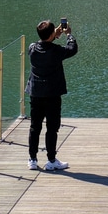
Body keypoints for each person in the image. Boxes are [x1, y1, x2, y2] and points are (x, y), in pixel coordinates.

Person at [26, 18, 78, 171]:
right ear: (50, 35)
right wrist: (68, 34)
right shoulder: (56, 51)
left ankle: (32, 159)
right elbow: (72, 49)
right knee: (52, 127)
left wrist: (52, 35)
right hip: (52, 94)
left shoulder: (32, 48)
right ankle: (51, 160)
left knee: (35, 127)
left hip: (35, 93)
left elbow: (42, 41)